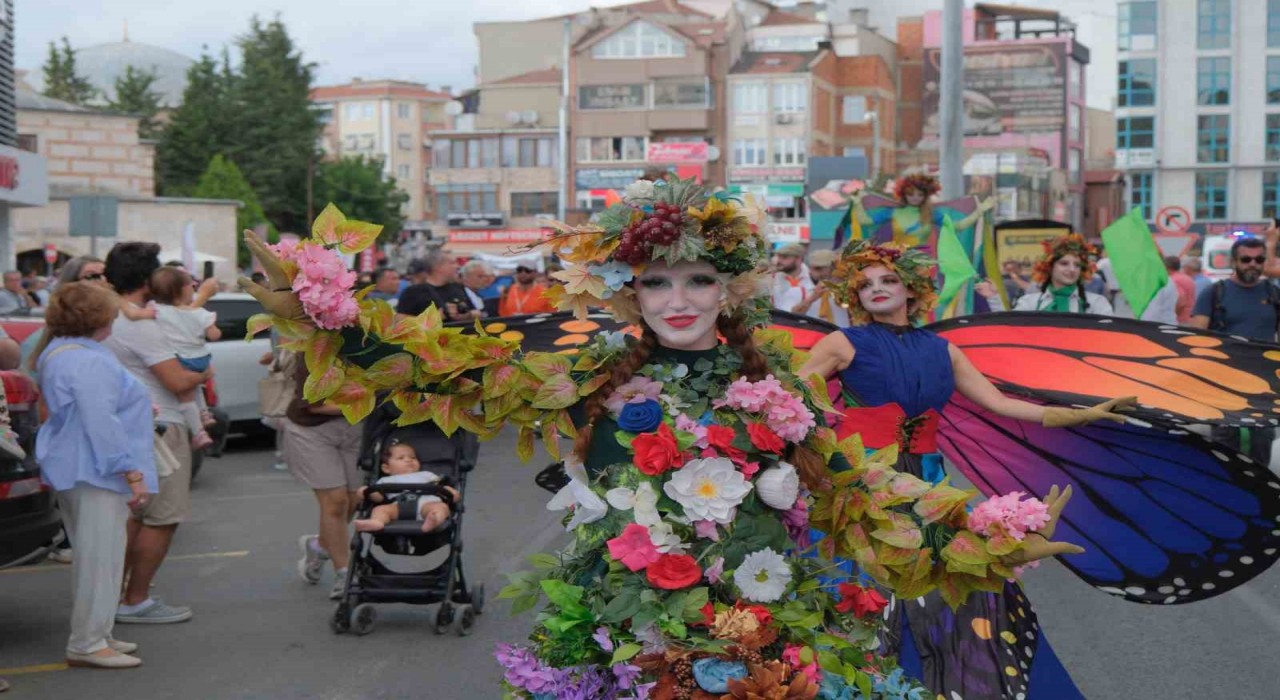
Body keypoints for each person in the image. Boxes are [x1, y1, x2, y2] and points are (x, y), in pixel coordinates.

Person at [242, 180, 1082, 697]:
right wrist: (329, 312)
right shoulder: (586, 373)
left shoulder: (777, 390)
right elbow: (444, 374)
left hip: (762, 618)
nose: (678, 298)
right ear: (629, 292)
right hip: (626, 626)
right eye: (655, 281)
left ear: (731, 287)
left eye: (698, 279)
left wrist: (981, 530)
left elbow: (853, 495)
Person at [798, 240, 1140, 699]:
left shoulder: (944, 350)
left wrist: (1079, 413)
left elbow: (998, 403)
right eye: (865, 285)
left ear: (913, 289)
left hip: (928, 482)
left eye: (889, 280)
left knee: (952, 581)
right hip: (864, 480)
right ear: (852, 296)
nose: (876, 290)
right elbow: (794, 394)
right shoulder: (844, 342)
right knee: (863, 587)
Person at [33, 282, 157, 669]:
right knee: (100, 558)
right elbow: (100, 422)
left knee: (99, 555)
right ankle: (87, 641)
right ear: (100, 317)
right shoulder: (88, 359)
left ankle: (97, 634)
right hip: (97, 470)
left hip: (81, 467)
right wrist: (131, 472)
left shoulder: (62, 352)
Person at [103, 241, 208, 625]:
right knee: (161, 517)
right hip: (162, 424)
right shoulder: (142, 325)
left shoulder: (108, 313)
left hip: (128, 422)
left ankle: (113, 595)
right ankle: (135, 599)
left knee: (134, 516)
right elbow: (178, 380)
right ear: (148, 278)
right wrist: (205, 373)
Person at [283, 346, 364, 599]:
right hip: (312, 431)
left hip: (354, 429)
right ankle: (344, 574)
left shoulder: (370, 346)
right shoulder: (312, 352)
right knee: (336, 502)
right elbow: (315, 405)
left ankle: (318, 545)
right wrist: (367, 400)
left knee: (355, 499)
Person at [1190, 235, 1278, 465]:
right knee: (1224, 442)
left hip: (1264, 383)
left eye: (1259, 259)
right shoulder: (1214, 293)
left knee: (1262, 439)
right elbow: (1196, 338)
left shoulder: (1273, 294)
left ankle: (1260, 491)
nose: (1253, 264)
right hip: (1223, 381)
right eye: (1246, 259)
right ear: (1234, 261)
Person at [149, 266, 221, 450]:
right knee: (196, 384)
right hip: (202, 358)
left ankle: (198, 432)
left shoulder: (156, 311)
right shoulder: (200, 313)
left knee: (186, 395)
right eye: (193, 284)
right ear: (183, 289)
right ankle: (204, 413)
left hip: (180, 359)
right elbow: (214, 335)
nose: (195, 288)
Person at [351, 442, 458, 534]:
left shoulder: (426, 475)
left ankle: (433, 520)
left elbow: (440, 486)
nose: (409, 460)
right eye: (401, 458)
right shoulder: (385, 480)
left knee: (440, 508)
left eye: (413, 457)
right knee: (380, 509)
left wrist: (451, 492)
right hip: (398, 507)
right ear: (386, 468)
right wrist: (366, 491)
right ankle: (377, 522)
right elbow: (378, 498)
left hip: (426, 505)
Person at [1004, 233, 1113, 314]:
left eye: (1077, 265)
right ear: (1049, 267)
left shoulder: (1097, 304)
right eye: (1064, 263)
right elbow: (1012, 334)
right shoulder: (1028, 303)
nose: (1072, 269)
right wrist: (994, 298)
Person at [396, 248, 478, 321]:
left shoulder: (458, 287)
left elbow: (478, 313)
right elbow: (400, 321)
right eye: (452, 263)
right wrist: (436, 317)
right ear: (438, 267)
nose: (457, 266)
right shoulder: (412, 292)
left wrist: (467, 315)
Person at [790, 249, 850, 326]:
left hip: (843, 335)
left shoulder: (848, 288)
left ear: (833, 267)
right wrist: (812, 298)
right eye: (812, 268)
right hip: (817, 336)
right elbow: (792, 317)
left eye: (819, 268)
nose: (813, 272)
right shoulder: (802, 290)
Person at [769, 242, 813, 310]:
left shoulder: (812, 278)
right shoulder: (771, 278)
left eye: (785, 257)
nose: (779, 261)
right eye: (779, 257)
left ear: (798, 259)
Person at [1166, 254, 1197, 324]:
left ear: (1166, 267)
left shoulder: (1173, 280)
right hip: (1190, 318)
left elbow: (1181, 302)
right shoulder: (1187, 278)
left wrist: (1173, 315)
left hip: (1180, 320)